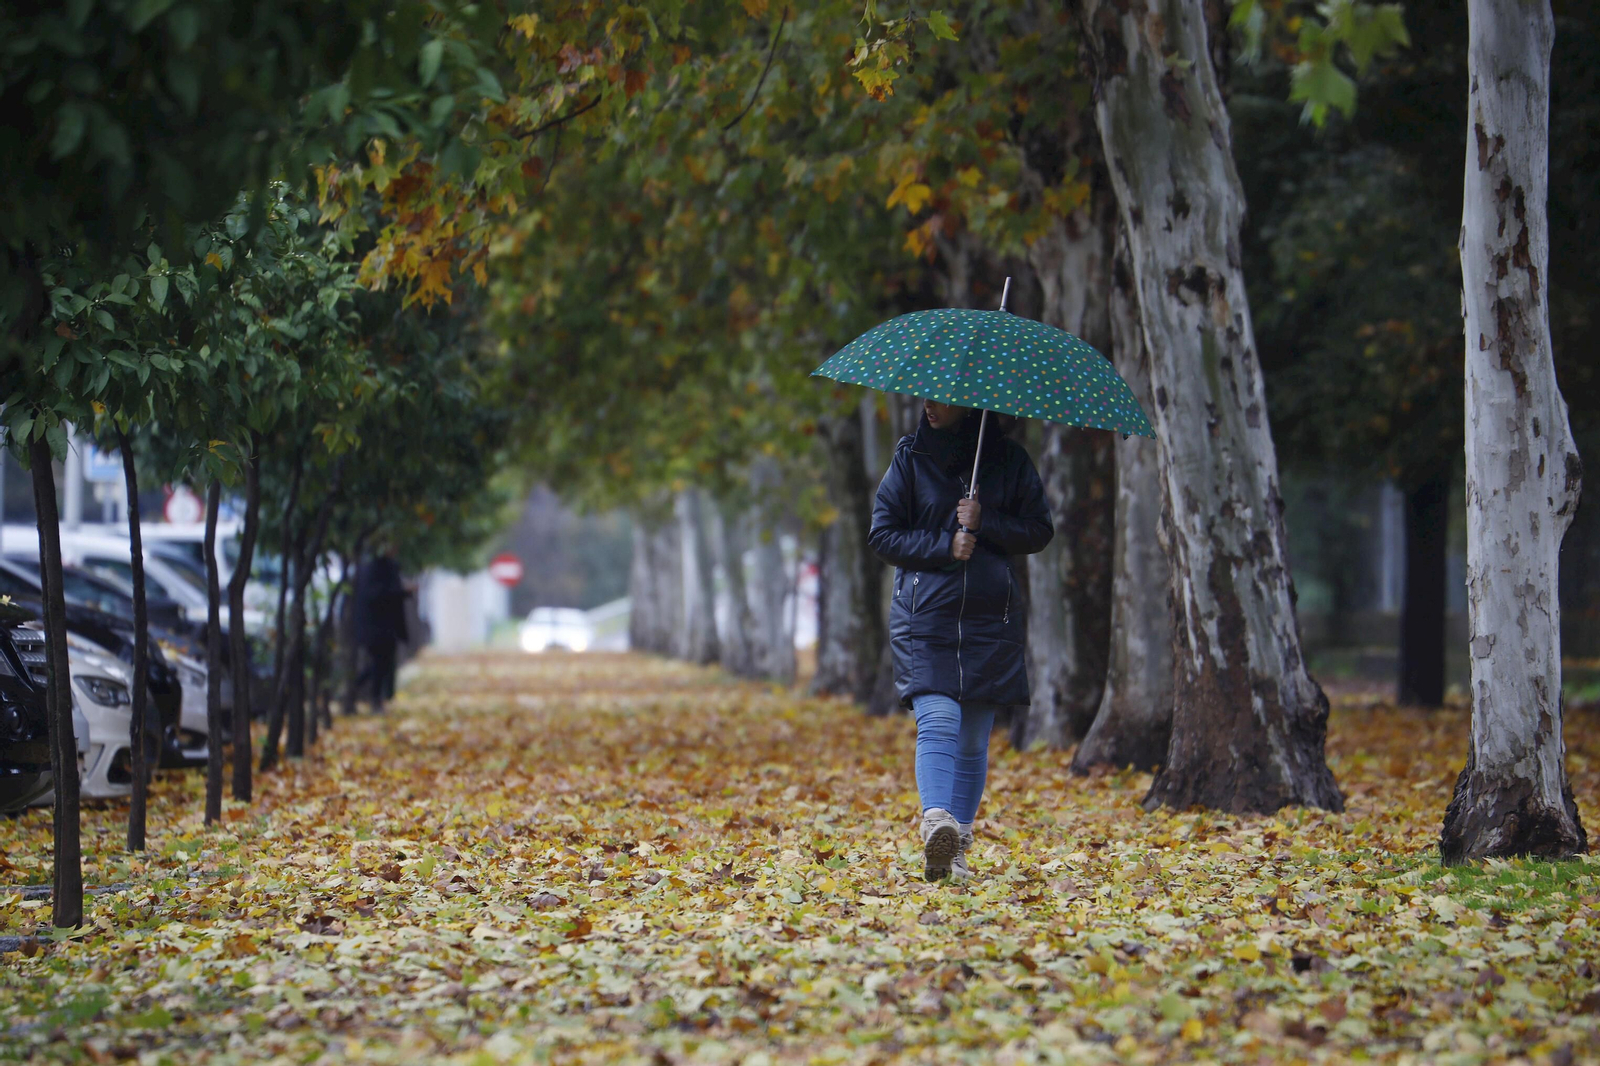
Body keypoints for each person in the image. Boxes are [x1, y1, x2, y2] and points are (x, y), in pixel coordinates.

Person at [868, 400, 1054, 881]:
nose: (930, 405)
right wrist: (944, 545)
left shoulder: (1009, 461)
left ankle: (956, 848)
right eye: (926, 395)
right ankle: (935, 823)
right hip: (925, 615)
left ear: (970, 404)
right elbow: (883, 534)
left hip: (990, 619)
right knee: (940, 716)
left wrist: (985, 519)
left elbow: (1038, 529)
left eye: (942, 398)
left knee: (973, 739)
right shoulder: (909, 458)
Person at [353, 547, 409, 713]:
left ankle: (366, 693)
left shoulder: (386, 566)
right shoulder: (374, 567)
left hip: (384, 627)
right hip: (376, 626)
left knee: (381, 664)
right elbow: (376, 594)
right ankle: (365, 693)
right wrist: (402, 592)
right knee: (379, 663)